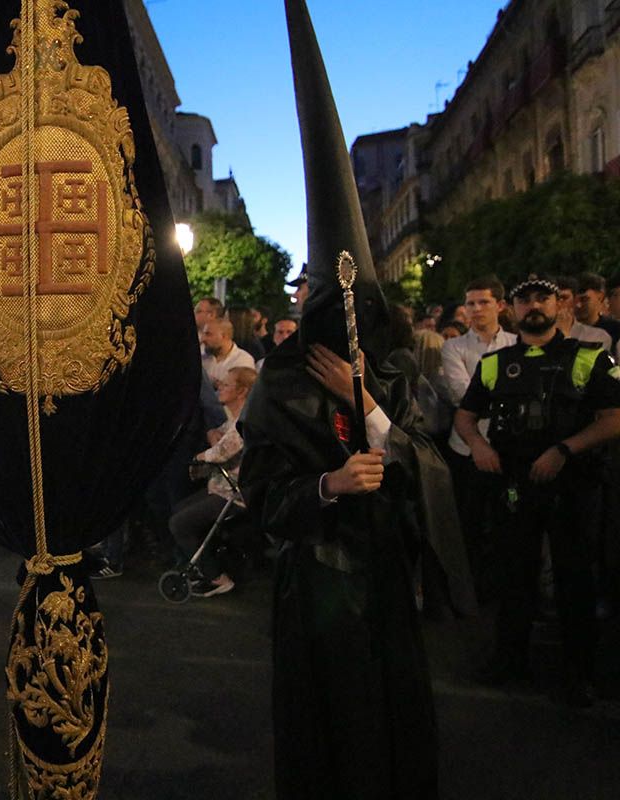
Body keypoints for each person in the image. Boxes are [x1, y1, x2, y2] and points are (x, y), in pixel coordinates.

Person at [240, 4, 472, 796]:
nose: (350, 342)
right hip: (315, 586)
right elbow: (262, 497)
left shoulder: (396, 374)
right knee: (327, 734)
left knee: (392, 732)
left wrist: (369, 400)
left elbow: (429, 467)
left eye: (363, 328)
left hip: (382, 581)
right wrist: (326, 486)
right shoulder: (277, 385)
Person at [455, 275, 620, 707]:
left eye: (542, 297)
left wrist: (565, 450)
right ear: (513, 306)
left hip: (574, 484)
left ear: (557, 304)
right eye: (525, 298)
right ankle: (511, 659)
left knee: (575, 579)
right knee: (515, 575)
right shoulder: (495, 362)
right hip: (515, 483)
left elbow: (613, 417)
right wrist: (479, 447)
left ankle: (578, 671)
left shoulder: (588, 356)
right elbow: (466, 415)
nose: (534, 305)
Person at [440, 275, 517, 591]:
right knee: (469, 521)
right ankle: (473, 587)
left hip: (508, 445)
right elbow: (460, 393)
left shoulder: (516, 344)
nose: (475, 309)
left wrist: (483, 397)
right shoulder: (453, 346)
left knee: (507, 520)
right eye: (470, 303)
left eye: (483, 302)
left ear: (499, 305)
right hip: (466, 448)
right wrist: (506, 395)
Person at [169, 365, 258, 597]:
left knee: (179, 523)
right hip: (220, 487)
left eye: (226, 385)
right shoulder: (236, 418)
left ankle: (218, 577)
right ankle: (208, 566)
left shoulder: (247, 420)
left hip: (234, 495)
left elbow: (221, 452)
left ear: (242, 391)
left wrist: (201, 456)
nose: (219, 387)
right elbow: (219, 438)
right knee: (179, 510)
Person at [555, 275, 612, 352]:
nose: (559, 303)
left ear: (575, 301)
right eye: (556, 298)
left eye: (564, 298)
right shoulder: (538, 331)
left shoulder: (597, 336)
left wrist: (565, 336)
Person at [201, 318, 256, 390]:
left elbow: (238, 391)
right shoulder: (201, 358)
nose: (203, 339)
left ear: (224, 336)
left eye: (208, 334)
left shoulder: (243, 360)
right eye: (203, 334)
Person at [576, 272, 620, 357]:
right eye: (575, 300)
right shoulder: (561, 330)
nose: (578, 305)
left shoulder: (615, 330)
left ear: (600, 297)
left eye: (584, 299)